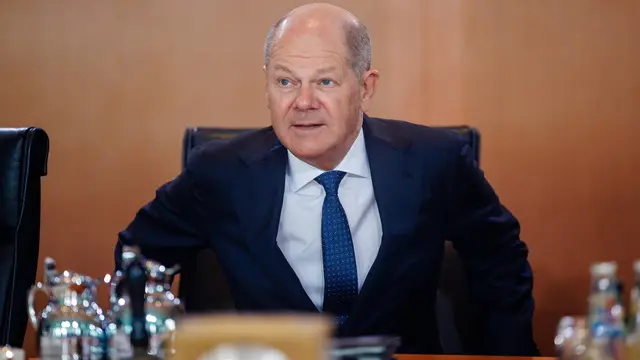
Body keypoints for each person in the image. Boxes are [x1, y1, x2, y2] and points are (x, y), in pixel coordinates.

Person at [115, 3, 539, 355]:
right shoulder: (220, 173)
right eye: (285, 81)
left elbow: (500, 259)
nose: (302, 102)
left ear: (366, 87)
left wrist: (506, 355)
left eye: (325, 81)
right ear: (267, 88)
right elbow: (137, 256)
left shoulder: (434, 161)